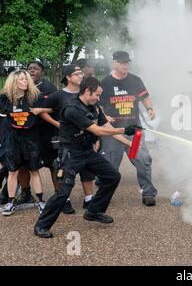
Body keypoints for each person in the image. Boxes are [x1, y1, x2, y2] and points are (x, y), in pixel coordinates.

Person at [34, 77, 137, 238]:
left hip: (87, 152)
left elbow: (106, 127)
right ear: (87, 91)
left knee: (112, 176)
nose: (98, 98)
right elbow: (97, 131)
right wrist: (124, 130)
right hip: (70, 154)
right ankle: (41, 226)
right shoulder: (72, 108)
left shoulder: (95, 107)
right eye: (96, 94)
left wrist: (129, 143)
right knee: (63, 192)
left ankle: (94, 211)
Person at [100, 51, 158, 206]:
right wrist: (104, 116)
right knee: (110, 166)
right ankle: (103, 195)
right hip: (113, 133)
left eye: (127, 62)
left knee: (142, 160)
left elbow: (145, 97)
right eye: (122, 62)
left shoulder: (135, 80)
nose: (125, 65)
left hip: (133, 132)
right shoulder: (105, 83)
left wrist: (150, 109)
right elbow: (97, 105)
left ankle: (148, 193)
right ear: (114, 64)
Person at [39, 65, 96, 212]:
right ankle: (65, 200)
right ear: (68, 77)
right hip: (66, 141)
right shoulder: (57, 95)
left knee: (87, 169)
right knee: (63, 169)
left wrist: (96, 138)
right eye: (77, 74)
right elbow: (42, 111)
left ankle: (89, 199)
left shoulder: (86, 93)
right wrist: (58, 124)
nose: (81, 76)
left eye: (82, 73)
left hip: (86, 139)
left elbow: (94, 115)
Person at [0, 70, 51, 216]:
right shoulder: (4, 98)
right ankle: (10, 202)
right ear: (13, 82)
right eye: (22, 79)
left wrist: (40, 109)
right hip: (12, 140)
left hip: (31, 139)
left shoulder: (35, 97)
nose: (25, 82)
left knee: (34, 171)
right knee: (12, 171)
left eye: (26, 79)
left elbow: (54, 107)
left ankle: (41, 201)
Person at [14, 61, 58, 207]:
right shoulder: (19, 88)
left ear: (42, 72)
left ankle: (60, 197)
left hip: (46, 132)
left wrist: (41, 110)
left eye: (36, 69)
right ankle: (26, 193)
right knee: (23, 165)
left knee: (54, 164)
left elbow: (56, 107)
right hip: (26, 134)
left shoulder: (49, 88)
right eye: (29, 69)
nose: (32, 71)